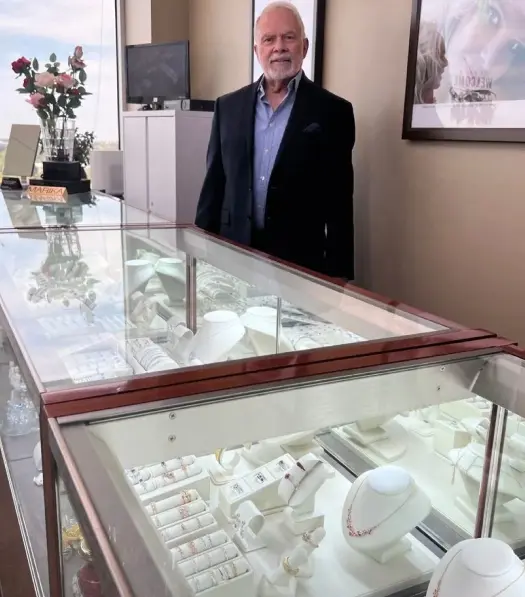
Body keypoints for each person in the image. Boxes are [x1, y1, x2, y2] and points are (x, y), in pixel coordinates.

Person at [195, 0, 355, 280]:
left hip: (300, 265)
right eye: (269, 39)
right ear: (258, 51)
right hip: (234, 257)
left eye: (288, 37)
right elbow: (214, 186)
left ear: (304, 47)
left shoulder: (334, 112)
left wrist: (339, 276)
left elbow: (340, 202)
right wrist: (200, 253)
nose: (279, 47)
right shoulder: (227, 107)